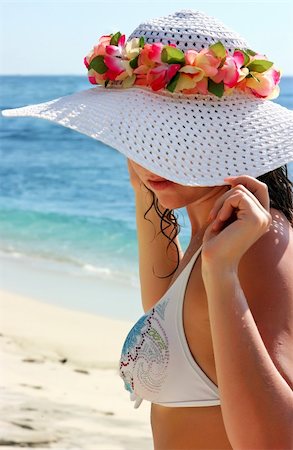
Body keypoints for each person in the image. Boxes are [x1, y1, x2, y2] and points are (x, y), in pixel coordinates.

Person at [2, 9, 293, 449]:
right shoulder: (215, 232)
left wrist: (221, 273)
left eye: (179, 137)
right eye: (142, 134)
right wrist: (144, 181)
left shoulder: (256, 248)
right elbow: (167, 312)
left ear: (232, 140)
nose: (156, 154)